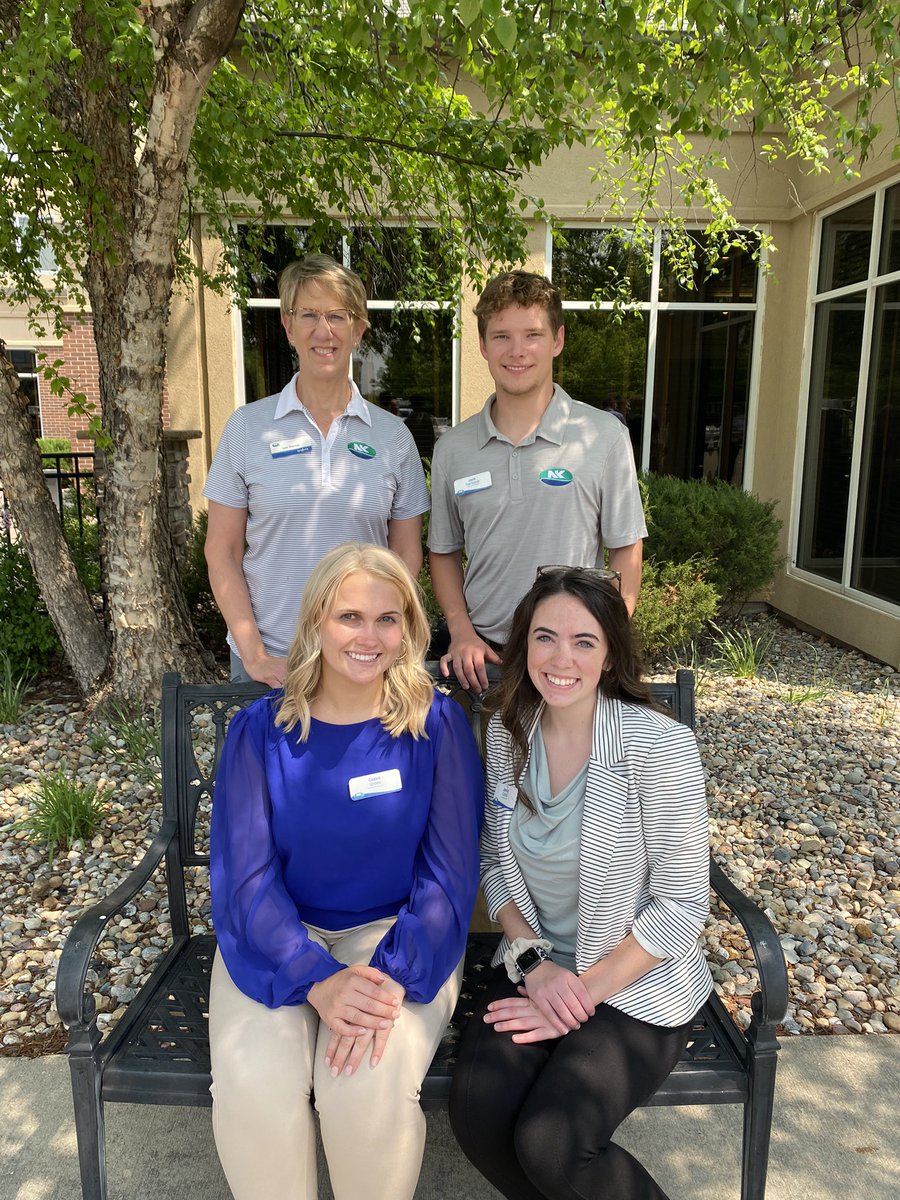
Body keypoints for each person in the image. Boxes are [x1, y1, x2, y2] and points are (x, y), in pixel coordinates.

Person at [209, 542, 484, 1200]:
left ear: (410, 630)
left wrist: (390, 976)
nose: (368, 636)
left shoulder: (436, 726)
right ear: (315, 624)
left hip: (395, 940)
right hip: (277, 939)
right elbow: (244, 879)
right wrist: (315, 979)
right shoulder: (261, 731)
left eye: (387, 620)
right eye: (348, 617)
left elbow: (450, 877)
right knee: (255, 1086)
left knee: (365, 1087)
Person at [448, 566, 712, 1200]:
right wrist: (537, 968)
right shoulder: (511, 736)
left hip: (634, 984)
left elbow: (683, 900)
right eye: (544, 637)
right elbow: (494, 863)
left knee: (552, 1142)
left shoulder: (659, 746)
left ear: (610, 654)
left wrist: (581, 993)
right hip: (538, 969)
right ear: (522, 645)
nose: (561, 658)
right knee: (479, 1116)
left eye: (584, 641)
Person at [204, 253, 430, 686]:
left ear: (358, 330)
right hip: (271, 662)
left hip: (362, 662)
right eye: (308, 314)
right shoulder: (246, 428)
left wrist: (382, 644)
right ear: (288, 327)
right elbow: (222, 551)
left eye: (337, 316)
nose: (323, 331)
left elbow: (406, 557)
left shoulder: (393, 436)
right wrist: (254, 655)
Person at [428, 270, 647, 691]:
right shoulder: (453, 449)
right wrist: (460, 631)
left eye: (532, 334)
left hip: (570, 663)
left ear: (558, 340)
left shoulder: (602, 436)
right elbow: (443, 552)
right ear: (482, 345)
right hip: (484, 662)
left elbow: (626, 548)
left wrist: (602, 639)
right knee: (480, 759)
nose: (517, 351)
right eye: (501, 336)